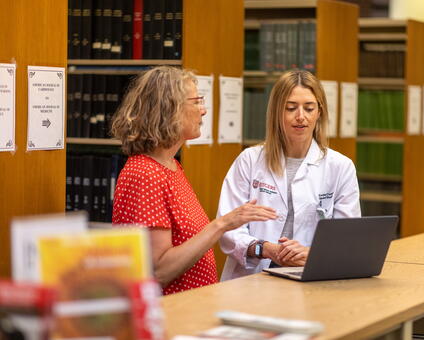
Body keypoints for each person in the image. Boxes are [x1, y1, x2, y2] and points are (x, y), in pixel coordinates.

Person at [111, 66, 276, 295]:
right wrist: (222, 224)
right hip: (170, 315)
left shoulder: (171, 167)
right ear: (169, 109)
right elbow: (159, 271)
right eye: (197, 101)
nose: (204, 111)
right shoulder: (144, 175)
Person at [218, 70, 361, 281]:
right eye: (291, 108)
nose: (301, 116)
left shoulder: (340, 166)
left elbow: (347, 237)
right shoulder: (249, 160)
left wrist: (311, 253)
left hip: (311, 275)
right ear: (277, 111)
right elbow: (228, 229)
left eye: (309, 108)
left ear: (319, 112)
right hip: (252, 279)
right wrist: (267, 249)